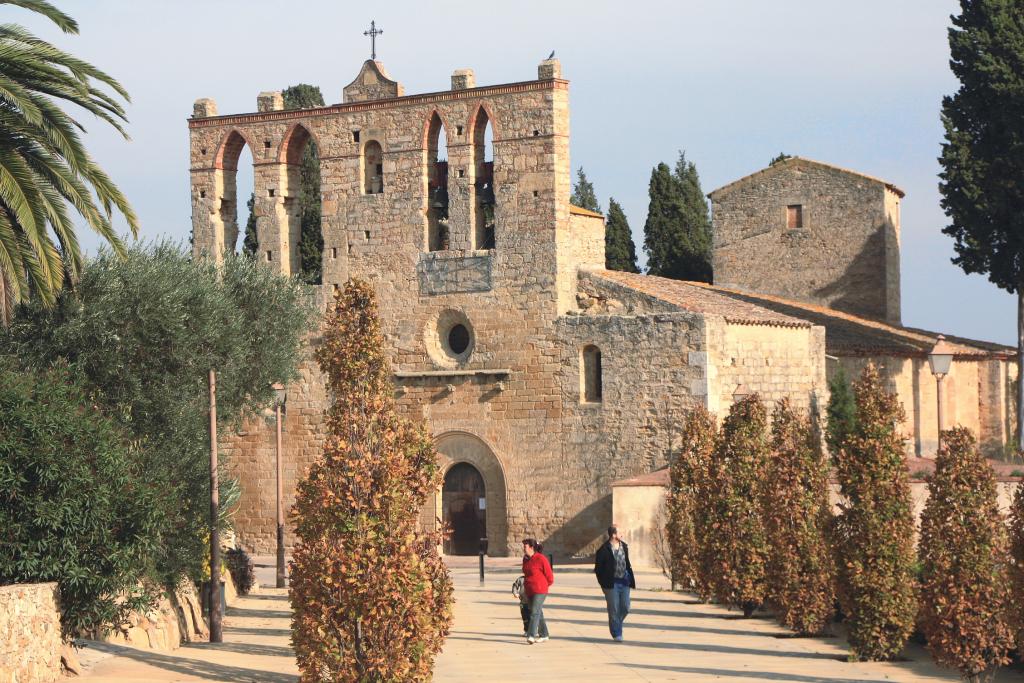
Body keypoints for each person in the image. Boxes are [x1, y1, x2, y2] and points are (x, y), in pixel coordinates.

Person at [594, 525, 635, 641]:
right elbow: (598, 569)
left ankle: (615, 622)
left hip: (625, 582)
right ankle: (617, 633)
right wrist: (603, 584)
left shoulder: (624, 547)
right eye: (620, 532)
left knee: (626, 607)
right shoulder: (603, 550)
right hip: (611, 584)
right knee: (614, 609)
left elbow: (627, 563)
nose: (622, 534)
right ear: (613, 535)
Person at [522, 538, 553, 644]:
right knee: (538, 611)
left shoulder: (541, 558)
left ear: (531, 547)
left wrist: (543, 585)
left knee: (534, 612)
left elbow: (550, 577)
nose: (523, 548)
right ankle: (544, 634)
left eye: (525, 546)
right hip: (529, 590)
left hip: (540, 590)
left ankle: (531, 635)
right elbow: (526, 573)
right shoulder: (525, 559)